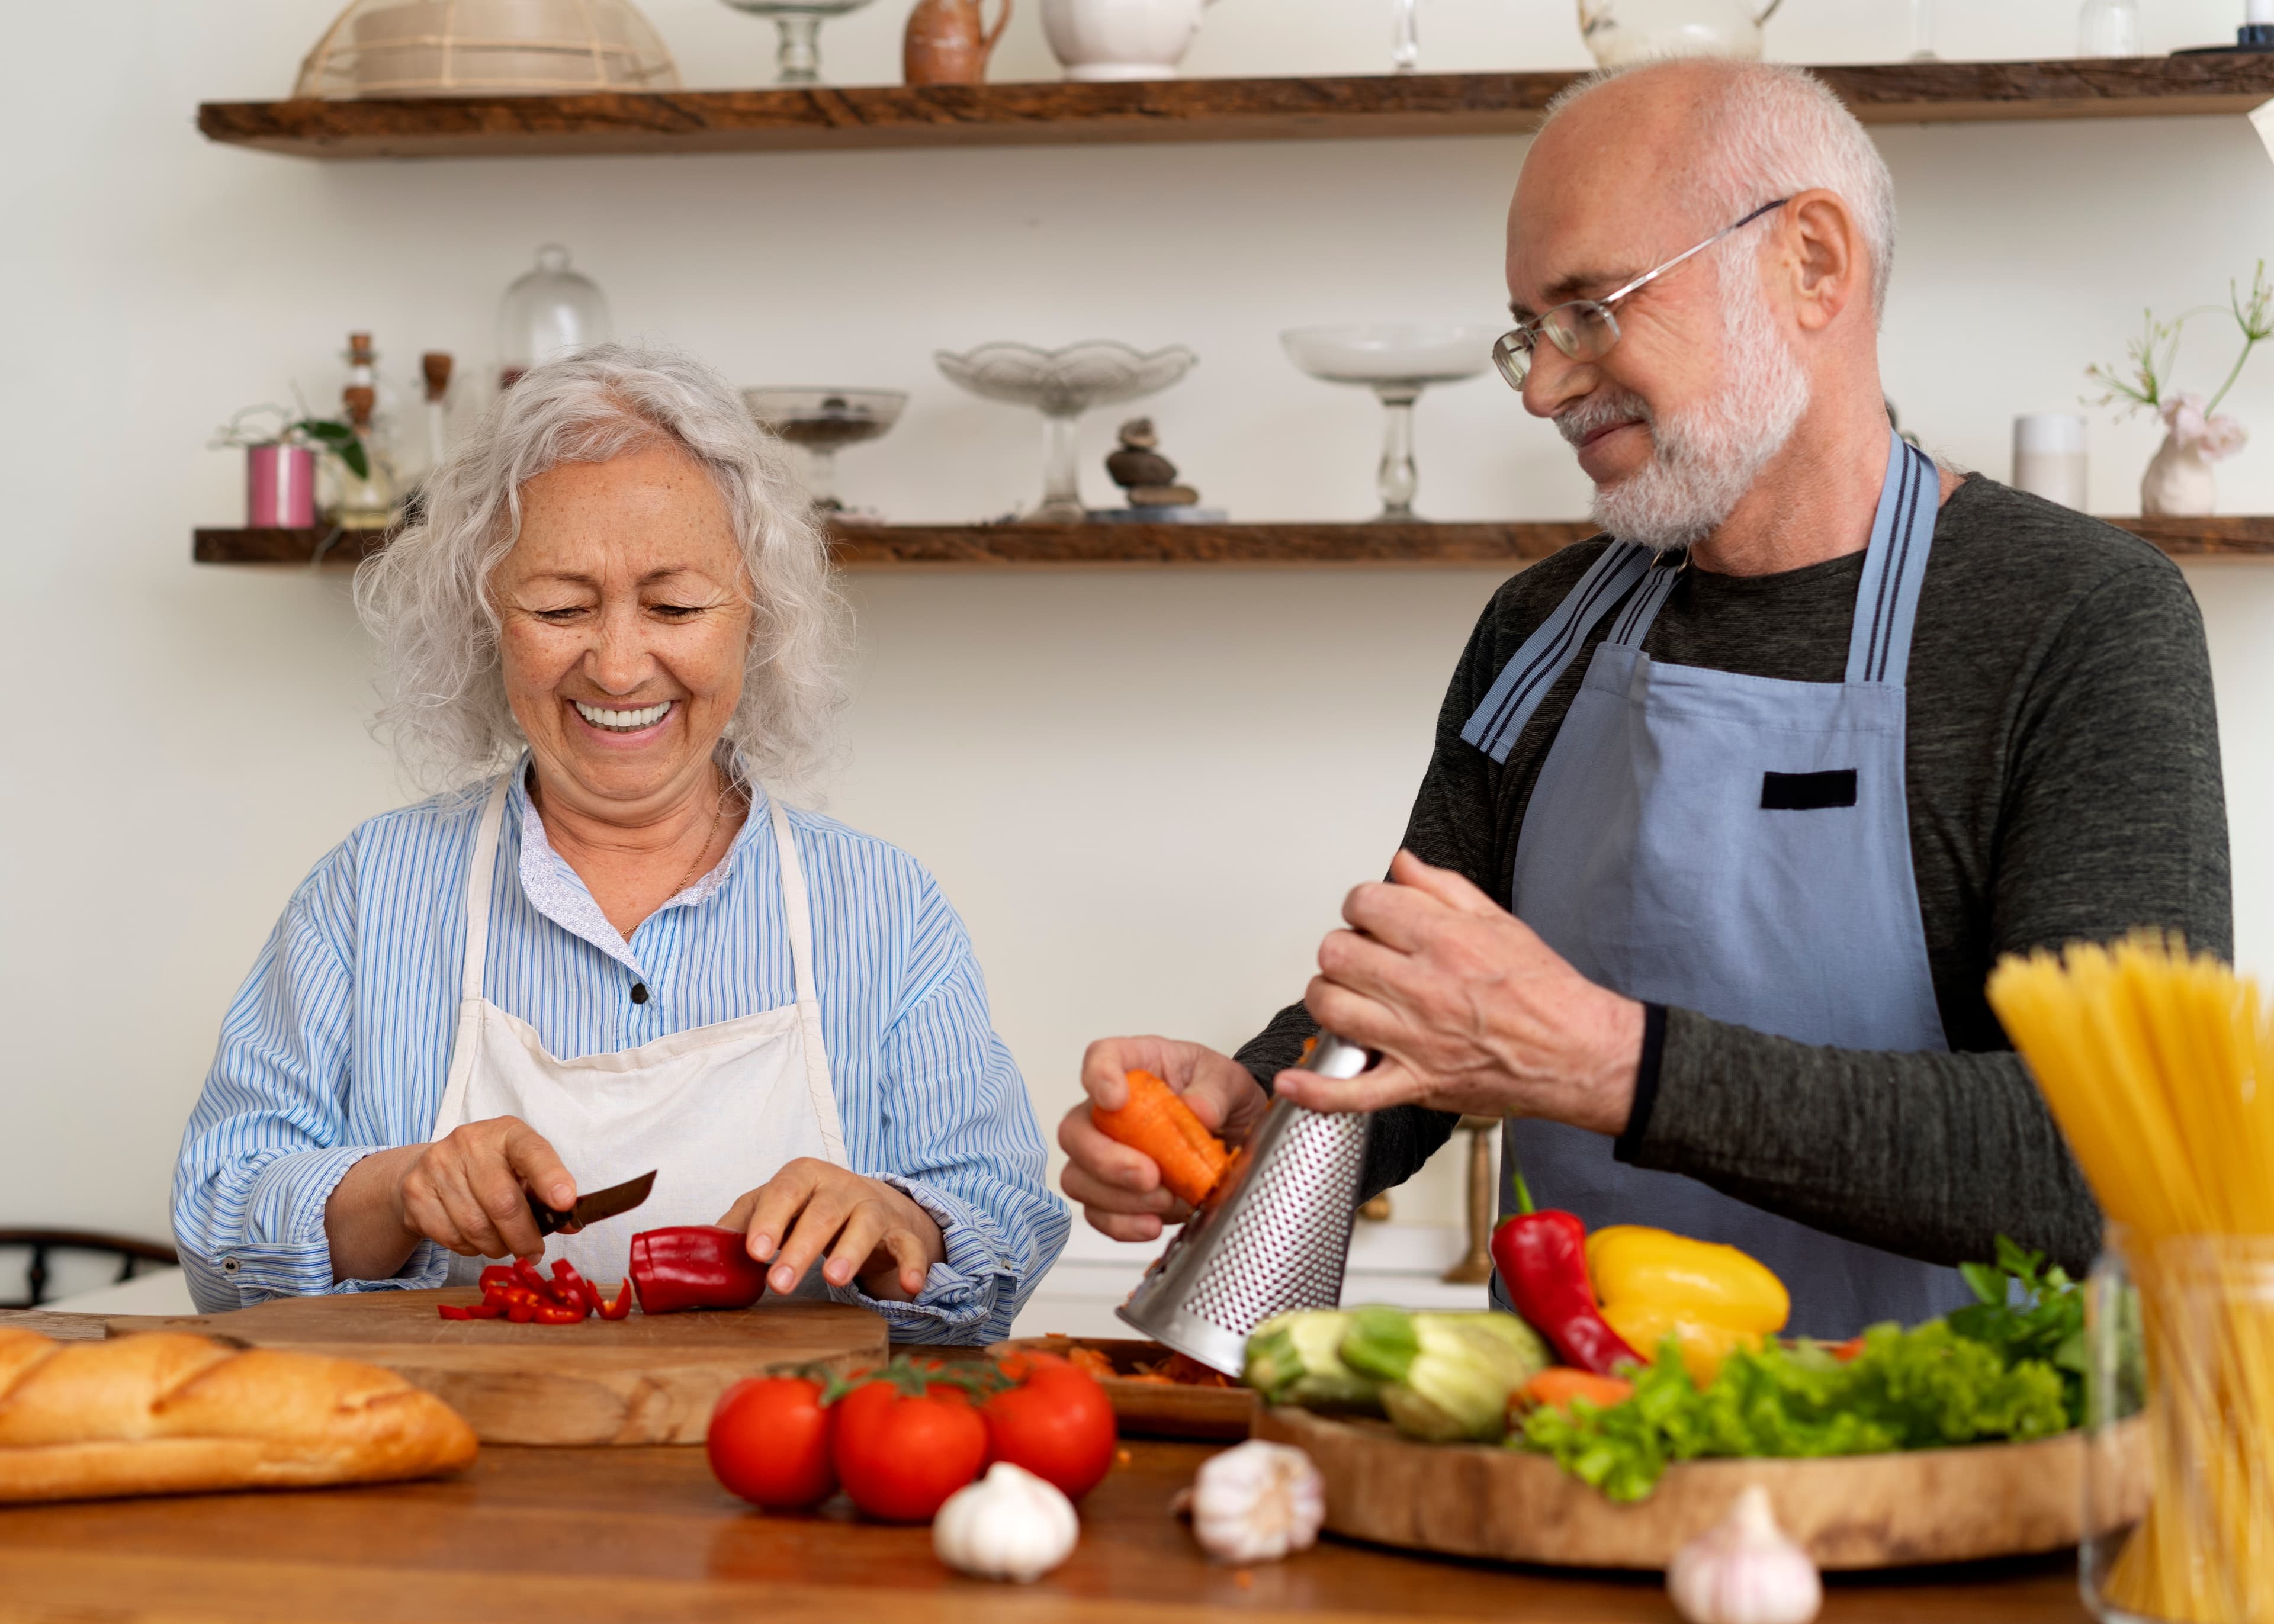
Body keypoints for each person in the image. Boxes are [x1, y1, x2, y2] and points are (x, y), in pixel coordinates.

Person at [1059, 60, 2230, 1337]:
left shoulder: (2078, 620)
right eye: (1529, 328)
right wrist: (1255, 1097)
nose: (1543, 388)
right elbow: (1422, 1018)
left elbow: (2111, 1159)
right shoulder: (1538, 628)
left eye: (1590, 310)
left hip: (1938, 1483)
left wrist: (1608, 1064)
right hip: (1560, 1454)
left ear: (1812, 265)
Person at [174, 344, 1067, 1341]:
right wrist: (395, 1192)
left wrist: (905, 1224)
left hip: (794, 1476)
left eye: (676, 606)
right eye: (560, 608)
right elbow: (219, 1241)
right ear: (487, 622)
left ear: (755, 619)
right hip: (448, 1471)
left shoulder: (882, 907)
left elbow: (1004, 1234)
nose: (618, 664)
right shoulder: (369, 891)